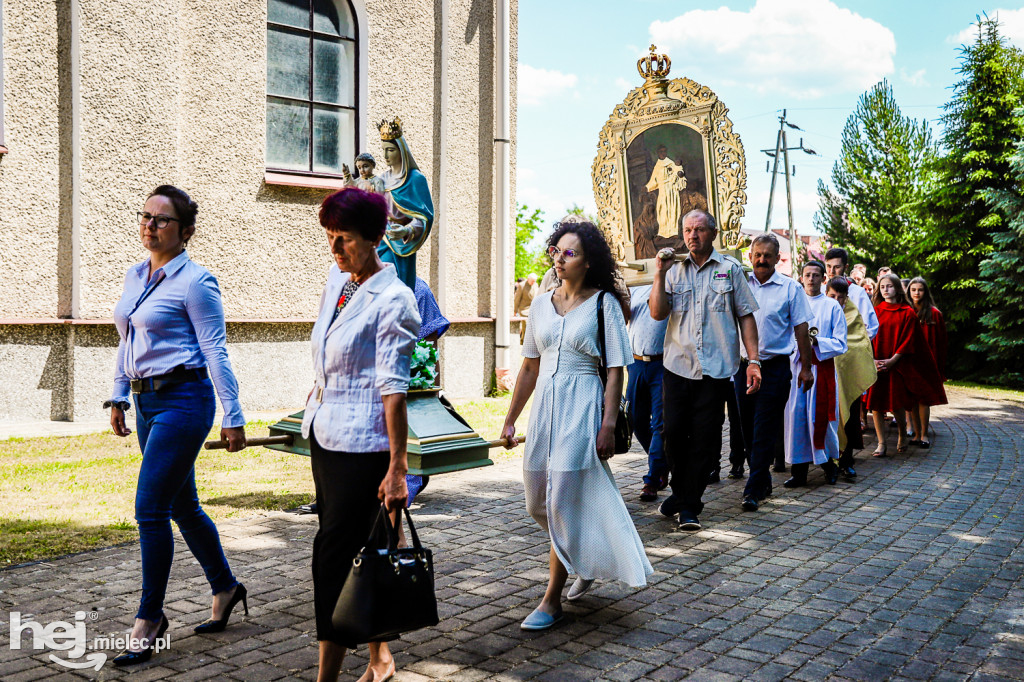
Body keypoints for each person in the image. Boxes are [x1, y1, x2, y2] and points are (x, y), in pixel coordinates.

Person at [107, 185, 248, 666]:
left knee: (150, 510)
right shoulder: (135, 274)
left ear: (185, 231)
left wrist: (233, 415)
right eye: (145, 215)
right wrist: (119, 394)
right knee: (183, 505)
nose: (149, 225)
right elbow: (126, 340)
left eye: (161, 220)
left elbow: (215, 351)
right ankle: (226, 587)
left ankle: (149, 618)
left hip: (185, 402)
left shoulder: (197, 282)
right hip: (146, 403)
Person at [501, 220, 652, 630]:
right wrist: (511, 418)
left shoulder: (604, 305)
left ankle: (551, 600)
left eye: (570, 253)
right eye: (557, 251)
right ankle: (579, 554)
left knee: (561, 498)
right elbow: (530, 365)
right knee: (536, 501)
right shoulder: (538, 305)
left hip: (583, 403)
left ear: (588, 262)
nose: (560, 258)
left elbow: (617, 370)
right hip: (545, 409)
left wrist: (607, 423)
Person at [300, 187, 421, 682]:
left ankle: (327, 675)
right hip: (326, 435)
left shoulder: (394, 299)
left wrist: (397, 468)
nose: (334, 248)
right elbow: (329, 345)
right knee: (365, 549)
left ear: (375, 239)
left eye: (344, 239)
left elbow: (393, 389)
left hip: (365, 448)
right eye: (329, 237)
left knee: (333, 556)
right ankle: (380, 656)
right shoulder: (339, 279)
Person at [650, 210, 761, 531]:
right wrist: (659, 273)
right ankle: (682, 494)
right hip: (677, 366)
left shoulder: (729, 269)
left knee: (705, 441)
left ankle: (689, 506)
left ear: (713, 233)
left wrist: (753, 361)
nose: (692, 236)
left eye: (699, 230)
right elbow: (658, 313)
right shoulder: (672, 271)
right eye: (687, 230)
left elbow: (746, 316)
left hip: (716, 370)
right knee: (672, 435)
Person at [733, 233, 815, 510]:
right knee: (745, 427)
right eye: (757, 255)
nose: (761, 260)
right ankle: (762, 478)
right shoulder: (741, 286)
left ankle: (753, 488)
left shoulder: (791, 289)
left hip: (775, 368)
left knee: (764, 427)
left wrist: (806, 367)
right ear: (750, 256)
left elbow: (801, 330)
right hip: (742, 368)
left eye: (767, 255)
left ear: (778, 258)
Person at [782, 262, 848, 487]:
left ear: (823, 279)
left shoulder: (832, 306)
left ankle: (830, 465)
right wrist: (796, 348)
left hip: (821, 371)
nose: (811, 279)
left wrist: (816, 341)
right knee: (797, 418)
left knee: (820, 420)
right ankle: (799, 472)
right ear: (801, 278)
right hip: (795, 369)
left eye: (816, 275)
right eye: (807, 275)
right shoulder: (792, 303)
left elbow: (841, 343)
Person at [866, 274, 946, 457]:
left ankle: (903, 433)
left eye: (890, 286)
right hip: (878, 363)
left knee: (896, 405)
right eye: (883, 287)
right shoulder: (875, 311)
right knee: (876, 405)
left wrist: (893, 360)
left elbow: (909, 340)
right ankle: (881, 443)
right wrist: (873, 360)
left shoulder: (907, 312)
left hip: (897, 364)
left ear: (898, 289)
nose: (886, 290)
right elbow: (867, 337)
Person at [826, 278, 877, 479]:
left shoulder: (853, 313)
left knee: (850, 418)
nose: (836, 301)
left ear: (846, 298)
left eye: (841, 297)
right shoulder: (819, 309)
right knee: (828, 417)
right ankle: (828, 461)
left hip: (849, 374)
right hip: (826, 374)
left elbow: (859, 341)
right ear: (826, 294)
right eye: (832, 296)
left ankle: (847, 461)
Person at [625, 282, 670, 501]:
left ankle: (651, 480)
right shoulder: (634, 285)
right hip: (635, 363)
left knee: (659, 424)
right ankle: (661, 464)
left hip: (662, 364)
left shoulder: (670, 284)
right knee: (634, 419)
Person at [378, 117, 433, 289]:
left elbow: (425, 218)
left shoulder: (415, 179)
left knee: (393, 288)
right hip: (378, 240)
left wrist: (406, 230)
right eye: (384, 150)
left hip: (399, 243)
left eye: (391, 150)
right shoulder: (382, 179)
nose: (386, 156)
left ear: (401, 151)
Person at [906, 277, 947, 448]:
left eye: (920, 290)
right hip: (910, 362)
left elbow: (942, 342)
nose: (916, 293)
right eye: (913, 289)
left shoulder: (935, 314)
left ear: (925, 292)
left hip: (928, 364)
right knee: (912, 400)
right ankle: (915, 434)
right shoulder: (907, 311)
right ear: (909, 291)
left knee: (924, 400)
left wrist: (939, 367)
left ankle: (924, 434)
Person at [824, 248, 878, 340]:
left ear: (846, 267)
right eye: (828, 266)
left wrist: (855, 344)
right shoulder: (821, 290)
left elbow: (871, 327)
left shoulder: (858, 292)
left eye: (837, 267)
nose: (831, 271)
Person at [645, 145, 687, 238]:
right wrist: (647, 188)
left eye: (664, 151)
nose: (663, 153)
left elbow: (678, 172)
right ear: (658, 153)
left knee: (672, 210)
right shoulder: (658, 166)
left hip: (671, 190)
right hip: (663, 190)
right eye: (661, 151)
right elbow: (654, 180)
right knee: (662, 211)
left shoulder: (670, 163)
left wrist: (679, 174)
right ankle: (663, 233)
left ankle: (674, 232)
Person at [514, 273, 539, 343]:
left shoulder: (535, 285)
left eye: (534, 281)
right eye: (532, 281)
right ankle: (524, 342)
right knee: (526, 325)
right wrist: (515, 310)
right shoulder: (522, 285)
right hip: (523, 309)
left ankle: (527, 341)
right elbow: (517, 298)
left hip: (532, 309)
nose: (533, 283)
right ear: (528, 279)